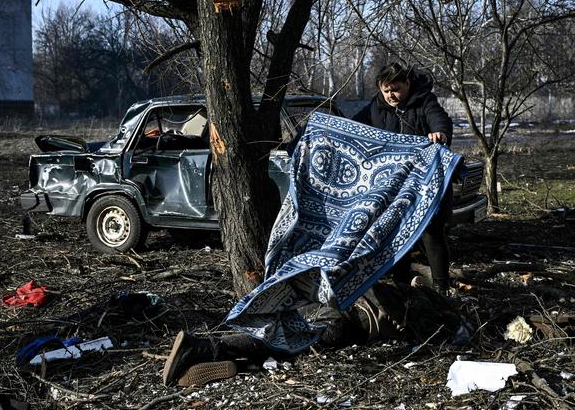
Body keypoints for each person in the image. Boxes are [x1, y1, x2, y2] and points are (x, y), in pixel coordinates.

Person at [162, 280, 465, 386]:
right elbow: (425, 333)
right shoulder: (427, 309)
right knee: (283, 345)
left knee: (280, 335)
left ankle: (219, 355)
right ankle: (206, 351)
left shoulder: (398, 290)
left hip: (336, 307)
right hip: (350, 324)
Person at [353, 62, 454, 294]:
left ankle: (442, 286)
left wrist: (440, 133)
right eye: (386, 90)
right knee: (396, 231)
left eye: (395, 89)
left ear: (407, 84)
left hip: (426, 181)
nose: (391, 96)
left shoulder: (425, 101)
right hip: (394, 184)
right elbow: (354, 127)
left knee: (431, 232)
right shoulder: (376, 107)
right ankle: (401, 284)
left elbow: (441, 121)